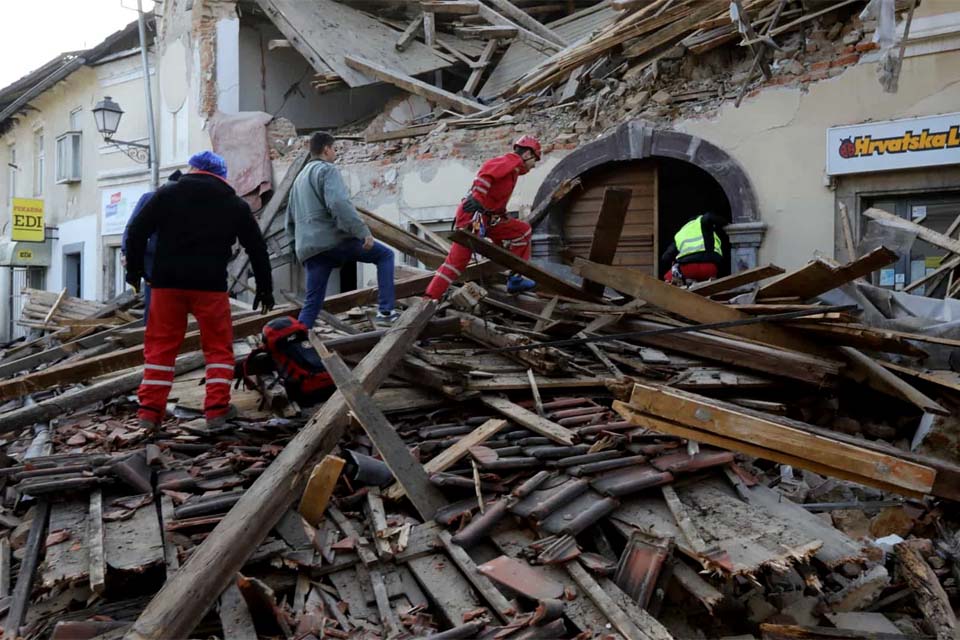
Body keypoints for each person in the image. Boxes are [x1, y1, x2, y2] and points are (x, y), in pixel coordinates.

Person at [125, 151, 274, 431]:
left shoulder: (167, 194)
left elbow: (136, 231)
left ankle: (149, 413)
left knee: (160, 350)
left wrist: (134, 272)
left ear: (193, 169)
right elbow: (257, 248)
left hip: (167, 285)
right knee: (218, 349)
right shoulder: (234, 204)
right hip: (211, 287)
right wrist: (265, 288)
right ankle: (216, 410)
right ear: (221, 176)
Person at [286, 132, 399, 329]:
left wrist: (297, 249)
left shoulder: (298, 180)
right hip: (333, 242)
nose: (335, 153)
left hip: (309, 250)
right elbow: (339, 203)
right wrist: (362, 232)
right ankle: (386, 312)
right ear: (326, 149)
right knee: (385, 256)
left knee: (312, 301)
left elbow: (289, 222)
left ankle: (299, 336)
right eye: (334, 149)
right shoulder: (326, 170)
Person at [424, 136, 542, 300]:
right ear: (527, 154)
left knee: (522, 231)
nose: (534, 165)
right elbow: (486, 173)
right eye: (535, 159)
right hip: (473, 217)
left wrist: (500, 239)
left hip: (486, 218)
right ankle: (429, 298)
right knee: (457, 263)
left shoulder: (513, 171)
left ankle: (515, 279)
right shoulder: (510, 161)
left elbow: (497, 202)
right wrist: (478, 198)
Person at [121, 170, 182, 320]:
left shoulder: (184, 201)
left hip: (173, 262)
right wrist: (125, 252)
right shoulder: (150, 198)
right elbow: (132, 227)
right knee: (154, 304)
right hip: (153, 261)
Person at [661, 211, 728, 285]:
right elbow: (708, 217)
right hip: (709, 268)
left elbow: (665, 257)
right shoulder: (701, 221)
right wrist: (726, 223)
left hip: (688, 270)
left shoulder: (681, 232)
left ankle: (675, 281)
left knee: (675, 267)